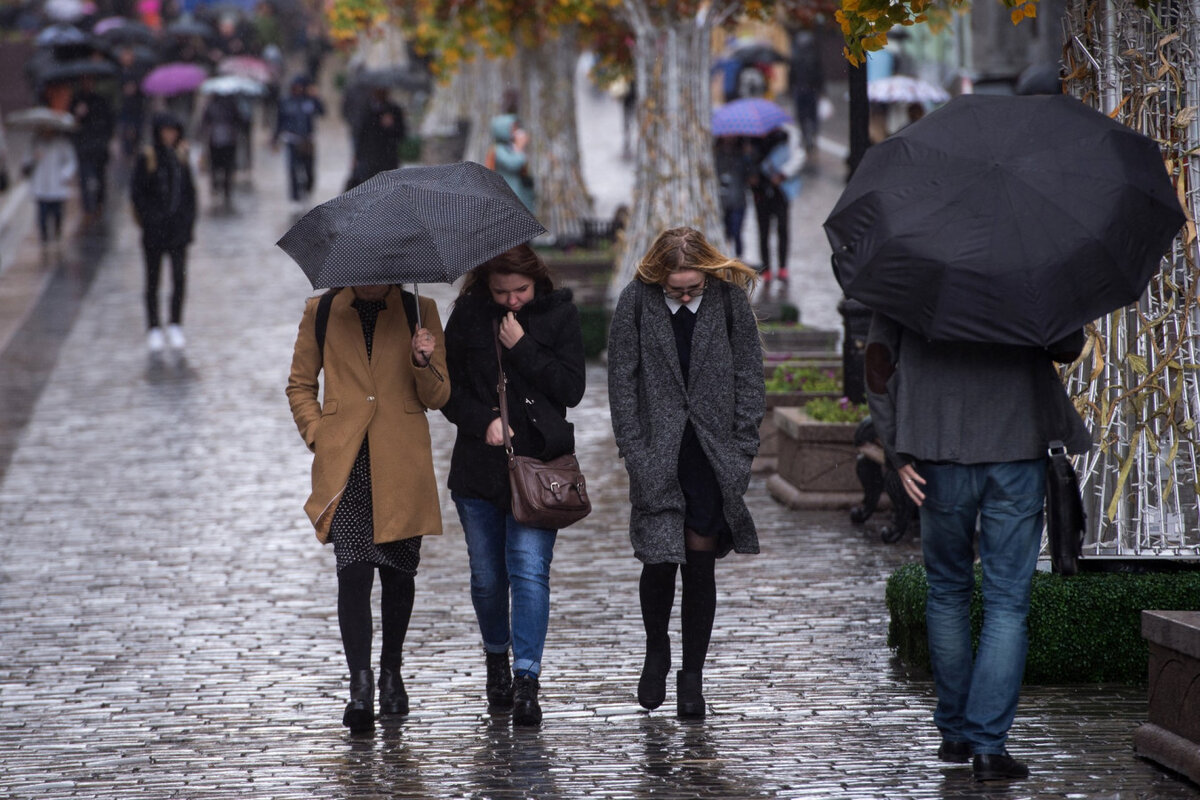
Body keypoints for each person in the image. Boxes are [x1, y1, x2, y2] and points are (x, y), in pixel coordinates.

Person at [864, 314, 1092, 781]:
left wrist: (896, 446)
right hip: (1015, 442)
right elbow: (1067, 346)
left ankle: (956, 734)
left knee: (947, 590)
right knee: (1007, 601)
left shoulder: (909, 261)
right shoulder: (1029, 258)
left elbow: (877, 363)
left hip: (935, 446)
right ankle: (988, 747)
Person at [607, 226, 765, 719]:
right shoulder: (636, 301)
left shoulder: (729, 300)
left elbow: (749, 373)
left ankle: (692, 676)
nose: (683, 294)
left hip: (713, 454)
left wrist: (742, 448)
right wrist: (633, 448)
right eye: (675, 287)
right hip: (657, 451)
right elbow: (621, 379)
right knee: (658, 558)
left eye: (692, 287)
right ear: (658, 276)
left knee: (700, 563)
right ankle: (657, 649)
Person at [286, 283, 450, 733]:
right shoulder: (321, 311)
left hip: (401, 461)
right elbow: (300, 384)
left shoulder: (421, 309)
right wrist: (320, 436)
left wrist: (423, 361)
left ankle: (391, 672)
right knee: (353, 571)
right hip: (347, 465)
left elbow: (439, 396)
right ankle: (360, 685)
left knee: (399, 574)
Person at [441, 244, 585, 727]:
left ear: (535, 281)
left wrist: (522, 346)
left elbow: (572, 389)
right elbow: (447, 392)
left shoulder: (559, 313)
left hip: (538, 469)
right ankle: (496, 660)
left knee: (528, 572)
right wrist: (481, 420)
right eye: (500, 291)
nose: (511, 301)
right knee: (487, 578)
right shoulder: (467, 315)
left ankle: (527, 680)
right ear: (486, 285)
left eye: (519, 290)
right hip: (479, 471)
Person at [130, 112, 196, 353]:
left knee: (179, 277)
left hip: (178, 232)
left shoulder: (181, 157)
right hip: (154, 232)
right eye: (165, 130)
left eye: (173, 130)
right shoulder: (147, 157)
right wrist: (151, 219)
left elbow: (190, 194)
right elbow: (137, 194)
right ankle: (154, 326)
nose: (169, 135)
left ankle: (175, 323)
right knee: (153, 280)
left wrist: (187, 223)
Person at [747, 122, 803, 295]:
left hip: (781, 190)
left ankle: (783, 267)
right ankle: (767, 268)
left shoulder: (786, 134)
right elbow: (749, 164)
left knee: (782, 228)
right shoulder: (752, 139)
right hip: (760, 192)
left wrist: (783, 174)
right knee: (763, 230)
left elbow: (798, 156)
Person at [273, 75, 325, 205]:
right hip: (292, 140)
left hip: (307, 141)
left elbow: (322, 112)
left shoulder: (309, 100)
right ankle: (295, 197)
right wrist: (275, 139)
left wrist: (316, 97)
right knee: (292, 169)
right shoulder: (285, 101)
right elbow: (279, 122)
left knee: (309, 170)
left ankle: (307, 190)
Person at [70, 76, 115, 220]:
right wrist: (77, 114)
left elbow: (109, 121)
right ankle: (88, 207)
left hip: (99, 145)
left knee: (100, 176)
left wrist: (106, 139)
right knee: (84, 176)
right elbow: (70, 123)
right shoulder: (76, 100)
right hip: (83, 145)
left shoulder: (101, 100)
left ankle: (99, 203)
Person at [24, 126, 77, 244]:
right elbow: (26, 162)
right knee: (42, 216)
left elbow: (71, 161)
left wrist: (65, 175)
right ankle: (44, 238)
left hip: (57, 185)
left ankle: (57, 233)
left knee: (57, 213)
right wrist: (34, 158)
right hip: (41, 186)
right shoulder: (35, 143)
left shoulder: (62, 143)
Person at [349, 87, 405, 188]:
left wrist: (391, 126)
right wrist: (356, 156)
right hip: (368, 159)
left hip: (387, 159)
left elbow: (401, 134)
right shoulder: (366, 109)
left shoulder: (394, 110)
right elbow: (360, 134)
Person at [199, 92, 241, 207]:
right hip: (226, 140)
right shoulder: (231, 105)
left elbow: (204, 122)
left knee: (216, 165)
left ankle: (217, 186)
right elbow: (239, 120)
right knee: (226, 166)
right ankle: (224, 188)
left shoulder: (212, 105)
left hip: (217, 140)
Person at [486, 113, 533, 213]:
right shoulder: (498, 150)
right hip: (507, 195)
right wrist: (520, 147)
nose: (516, 131)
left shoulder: (510, 147)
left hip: (518, 194)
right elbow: (514, 163)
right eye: (513, 128)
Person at [714, 135, 750, 258]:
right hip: (723, 201)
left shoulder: (742, 155)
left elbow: (750, 176)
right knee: (726, 231)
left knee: (737, 231)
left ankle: (738, 257)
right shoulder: (717, 156)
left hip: (738, 200)